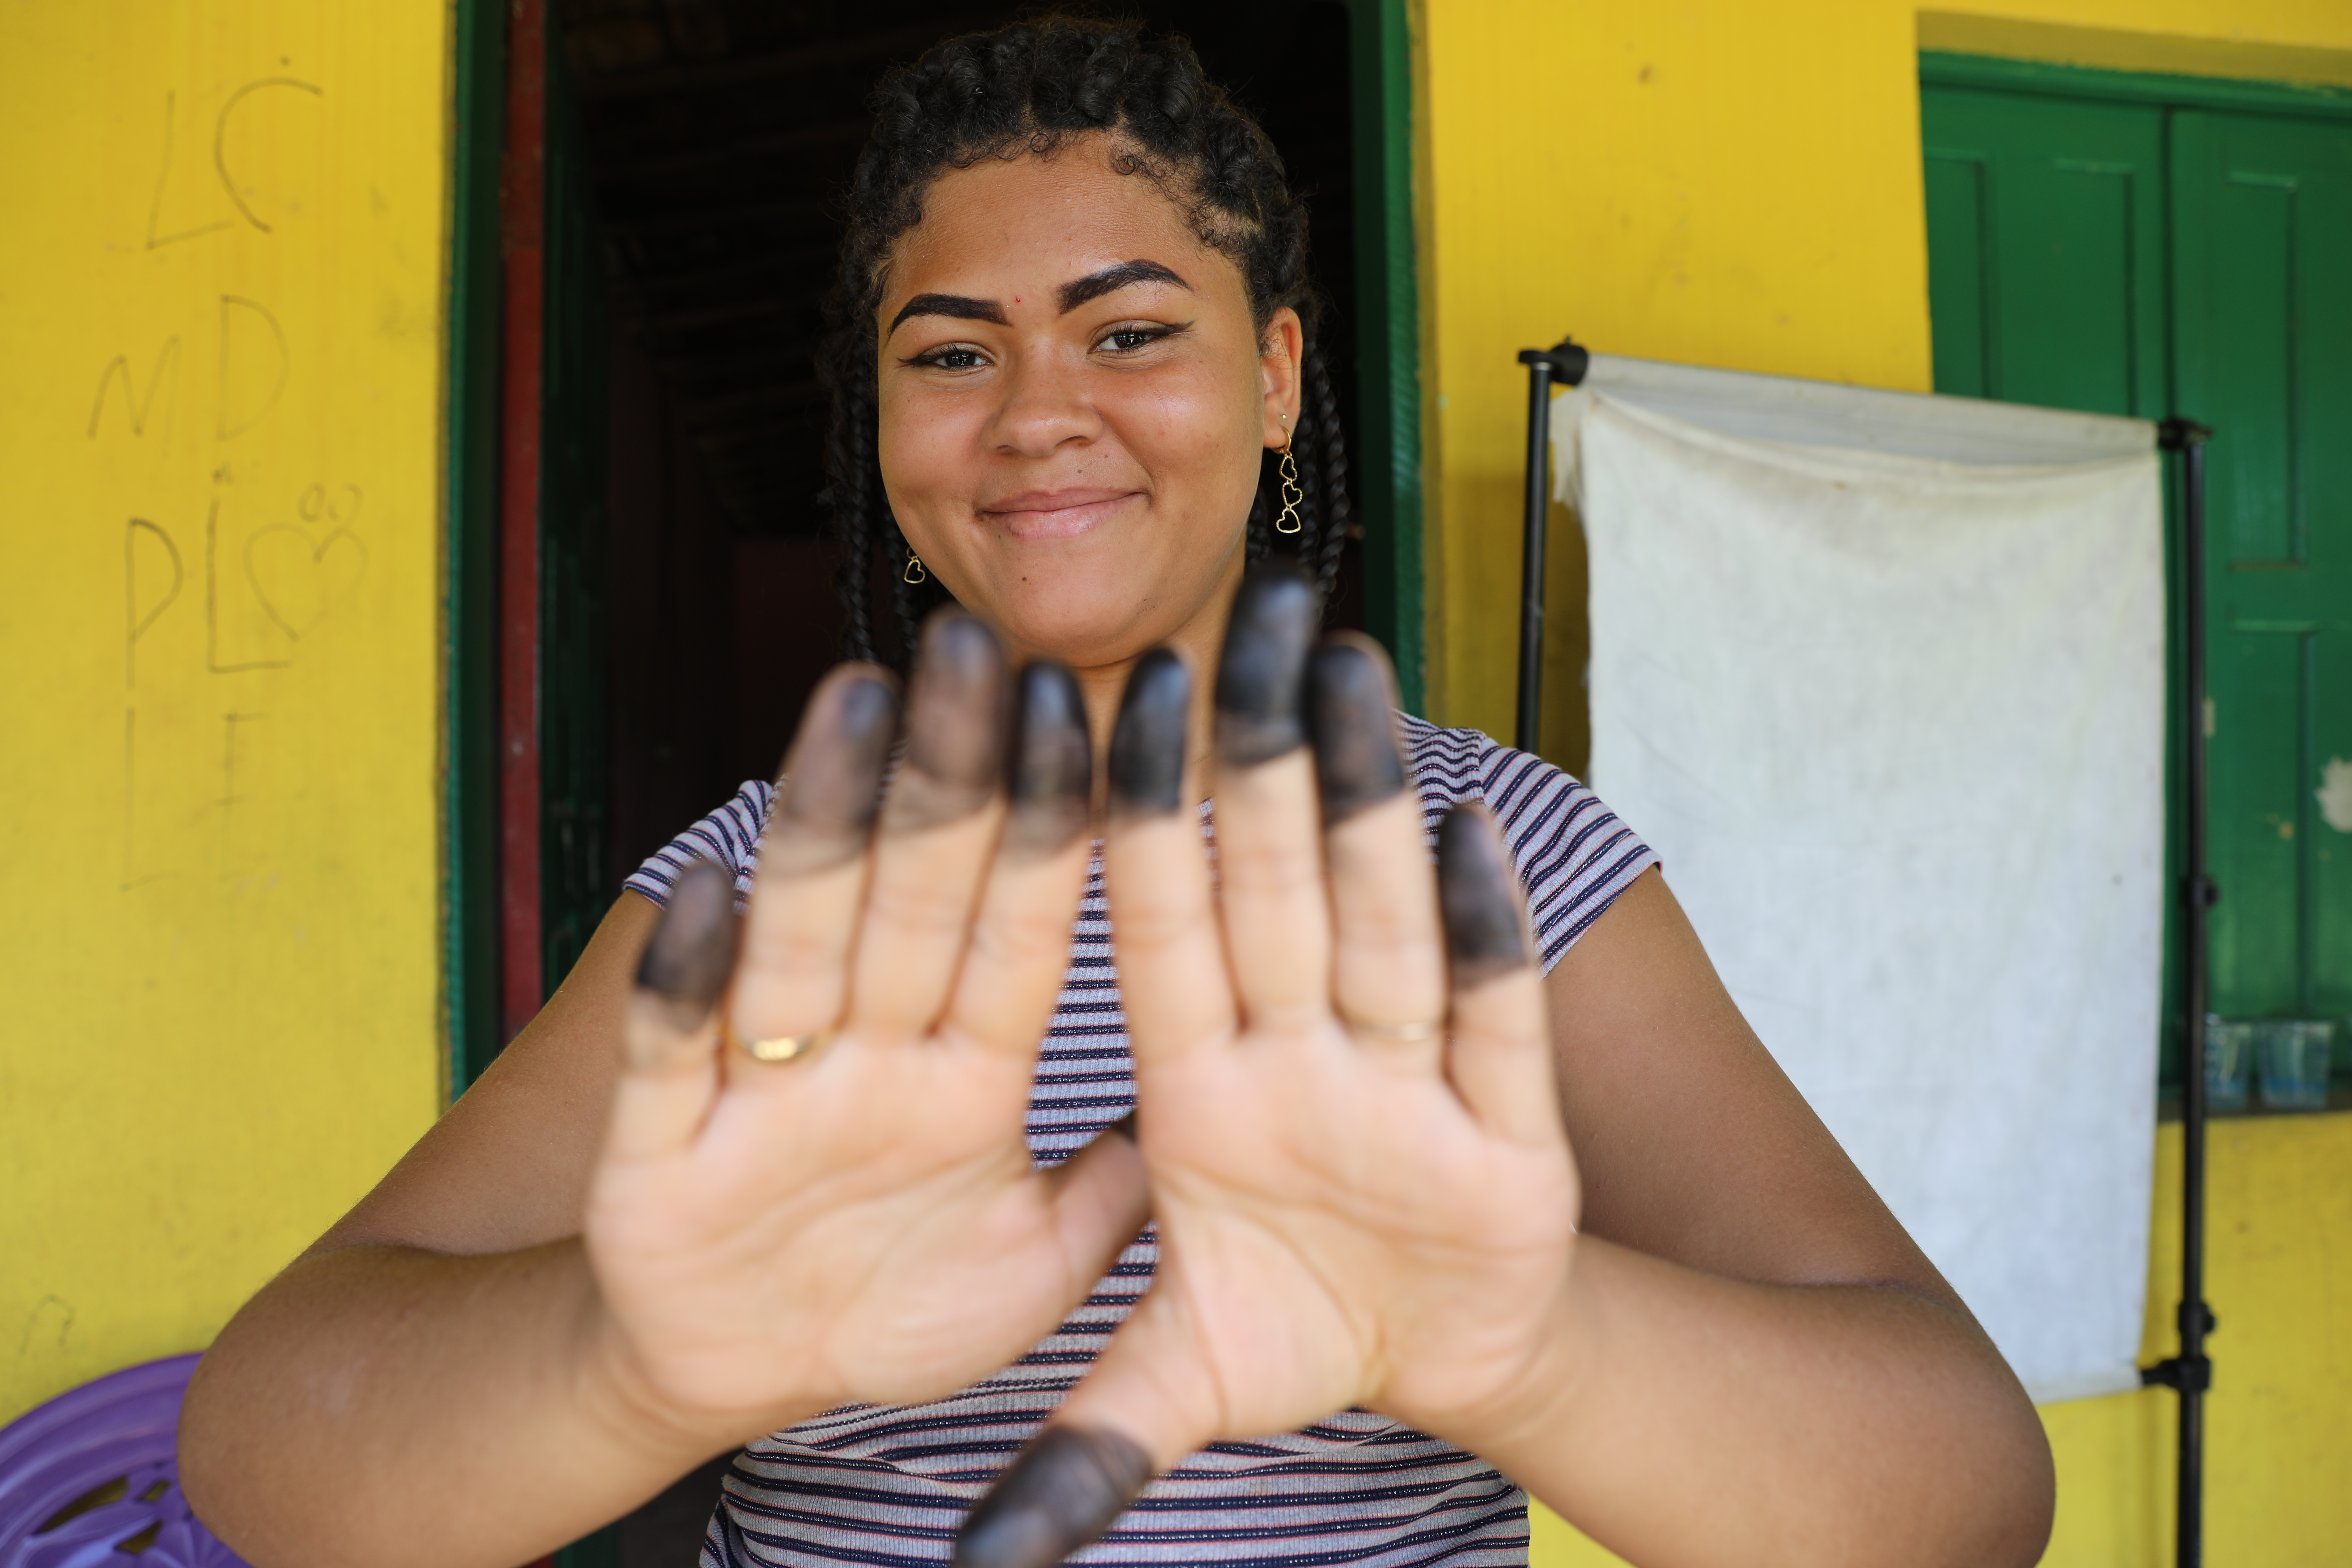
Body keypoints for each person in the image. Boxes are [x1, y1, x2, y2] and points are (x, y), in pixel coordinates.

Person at [179, 19, 2054, 1568]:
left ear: (1274, 373)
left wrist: (1525, 1343)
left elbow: (1962, 1497)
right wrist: (637, 1369)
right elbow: (267, 1446)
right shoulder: (768, 890)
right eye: (950, 353)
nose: (1035, 410)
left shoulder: (1484, 863)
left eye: (1131, 327)